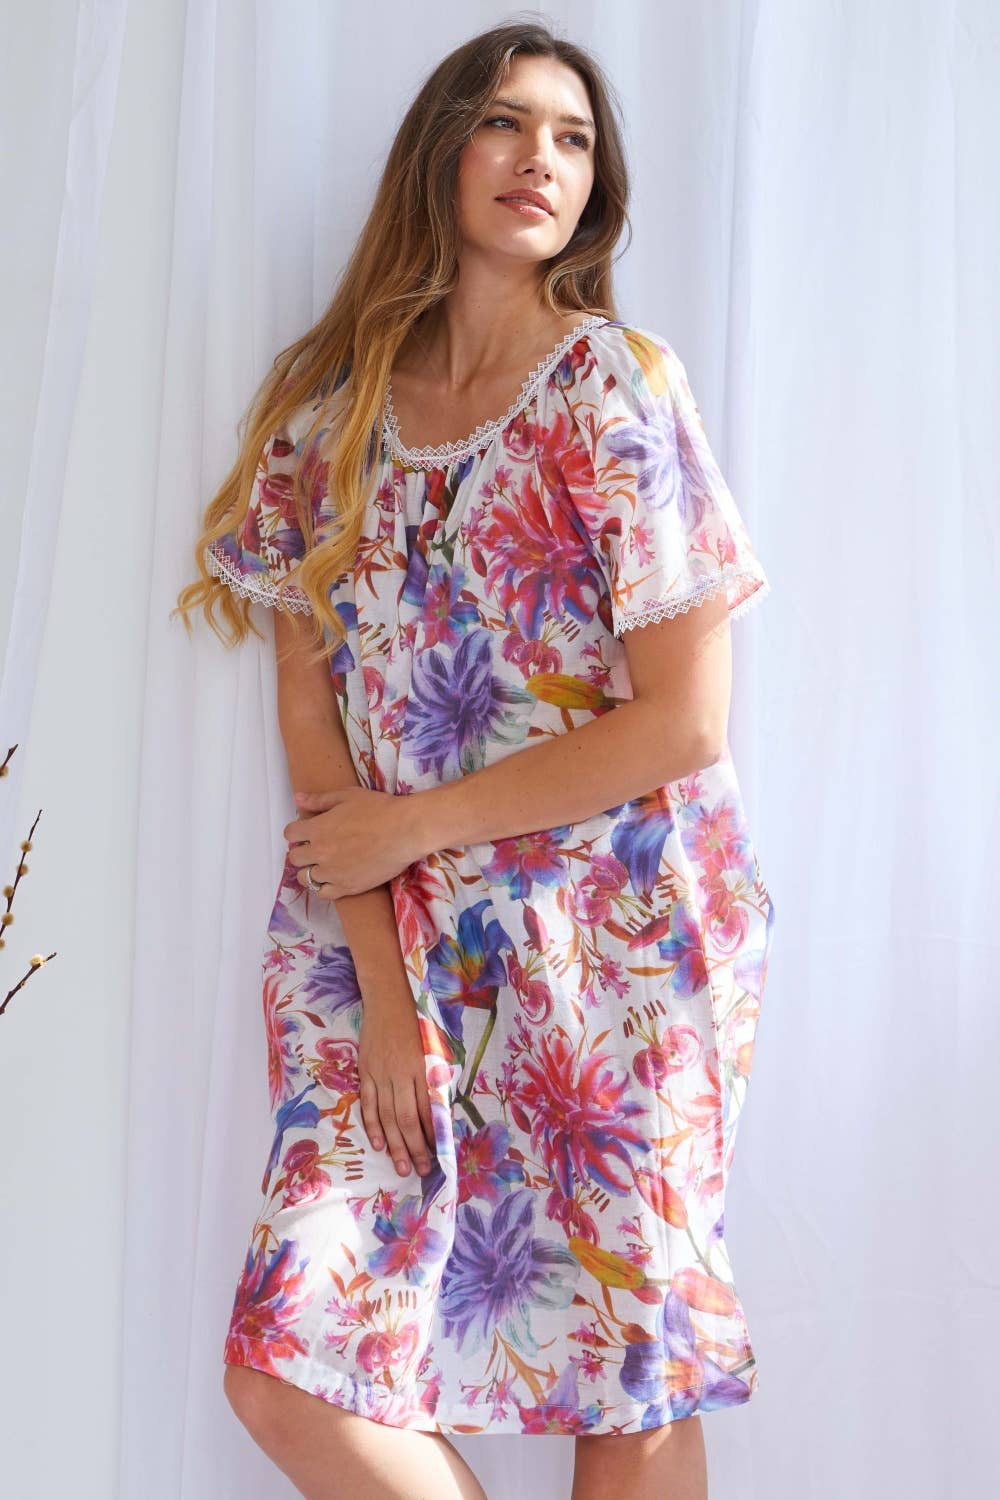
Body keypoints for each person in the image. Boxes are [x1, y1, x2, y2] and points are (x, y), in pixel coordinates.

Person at [173, 19, 776, 1500]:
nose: (540, 159)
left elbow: (685, 723)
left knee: (628, 1375)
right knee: (287, 1371)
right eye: (507, 123)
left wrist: (415, 822)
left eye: (573, 139)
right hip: (387, 940)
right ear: (441, 153)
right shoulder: (326, 428)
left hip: (621, 938)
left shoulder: (616, 386)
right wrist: (384, 991)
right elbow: (316, 736)